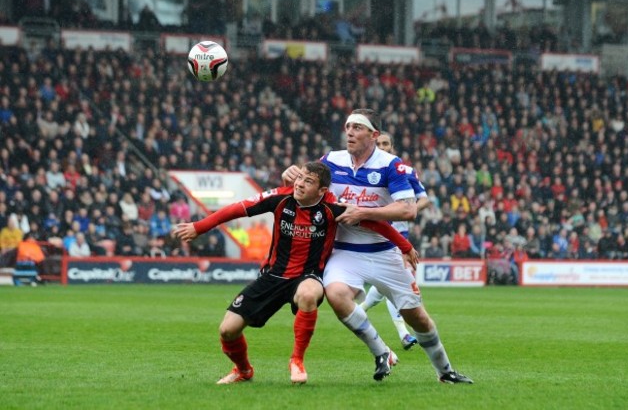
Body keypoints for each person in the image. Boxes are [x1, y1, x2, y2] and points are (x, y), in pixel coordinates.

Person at [173, 162, 417, 385]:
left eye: (307, 181)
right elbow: (237, 209)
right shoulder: (280, 198)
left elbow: (375, 223)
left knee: (310, 294)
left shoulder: (333, 208)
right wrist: (198, 226)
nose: (299, 183)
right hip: (273, 275)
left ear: (321, 190)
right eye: (299, 178)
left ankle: (297, 360)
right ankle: (243, 371)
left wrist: (406, 247)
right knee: (228, 330)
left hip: (307, 276)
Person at [282, 109, 472, 383]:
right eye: (348, 126)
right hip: (345, 251)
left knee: (417, 318)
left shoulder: (391, 165)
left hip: (385, 252)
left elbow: (408, 211)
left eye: (358, 127)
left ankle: (445, 372)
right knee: (335, 294)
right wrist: (292, 175)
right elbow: (307, 186)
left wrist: (363, 212)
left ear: (374, 135)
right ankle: (381, 351)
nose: (350, 132)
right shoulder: (331, 160)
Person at [360, 131, 430, 350]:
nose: (382, 146)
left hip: (399, 236)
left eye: (386, 143)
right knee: (397, 282)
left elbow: (424, 199)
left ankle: (358, 312)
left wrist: (406, 210)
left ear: (391, 146)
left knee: (388, 284)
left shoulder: (404, 170)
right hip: (376, 233)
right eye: (379, 143)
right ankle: (403, 333)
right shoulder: (363, 170)